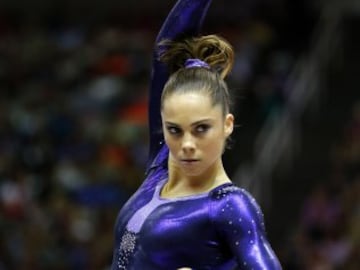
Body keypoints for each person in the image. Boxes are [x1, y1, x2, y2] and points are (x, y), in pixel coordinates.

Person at [111, 0, 282, 269]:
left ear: (226, 124)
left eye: (201, 128)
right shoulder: (160, 167)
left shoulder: (229, 206)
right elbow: (164, 52)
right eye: (175, 130)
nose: (186, 144)